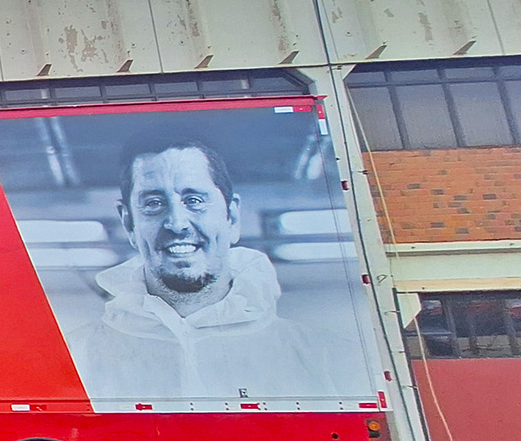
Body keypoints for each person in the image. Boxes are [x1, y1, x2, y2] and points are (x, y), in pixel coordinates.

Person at [65, 136, 350, 401]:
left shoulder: (324, 356)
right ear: (128, 223)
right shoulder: (74, 357)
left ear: (232, 215)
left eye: (194, 200)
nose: (177, 223)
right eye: (153, 203)